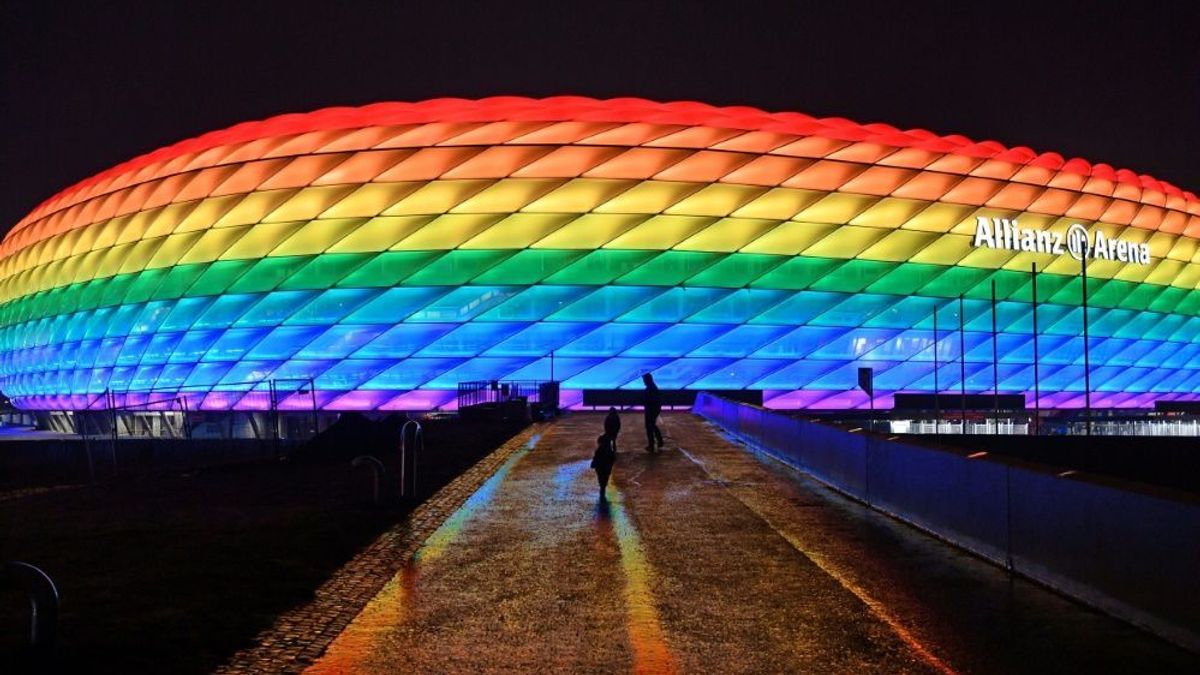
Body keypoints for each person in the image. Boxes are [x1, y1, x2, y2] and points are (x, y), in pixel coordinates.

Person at [590, 433, 617, 501]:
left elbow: (595, 458)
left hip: (600, 466)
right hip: (606, 466)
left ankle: (602, 486)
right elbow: (613, 458)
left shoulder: (599, 450)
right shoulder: (609, 451)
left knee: (601, 477)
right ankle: (603, 486)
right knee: (605, 477)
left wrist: (593, 464)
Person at [642, 373, 663, 452]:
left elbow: (650, 400)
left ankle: (652, 445)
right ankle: (659, 441)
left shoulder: (650, 388)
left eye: (644, 380)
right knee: (652, 426)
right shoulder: (652, 387)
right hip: (652, 410)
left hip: (651, 410)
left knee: (649, 427)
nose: (643, 381)